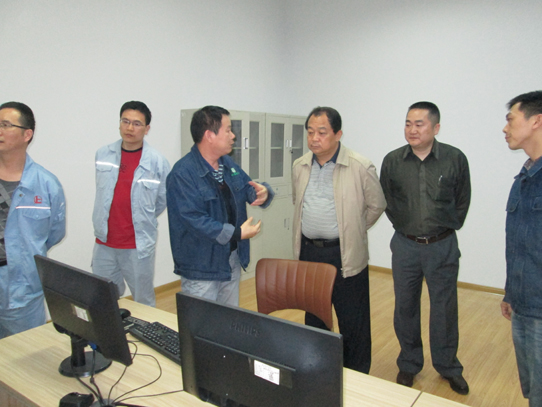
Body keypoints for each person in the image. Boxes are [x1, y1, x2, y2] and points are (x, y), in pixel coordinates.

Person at [380, 101, 471, 394]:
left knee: (444, 308)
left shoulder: (455, 159)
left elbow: (462, 200)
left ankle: (448, 367)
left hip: (442, 246)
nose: (412, 129)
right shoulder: (393, 161)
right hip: (405, 246)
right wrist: (407, 226)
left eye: (419, 124)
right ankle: (409, 363)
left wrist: (444, 227)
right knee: (405, 306)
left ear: (436, 127)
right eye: (408, 123)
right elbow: (387, 201)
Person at [292, 106, 386, 373]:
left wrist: (351, 231)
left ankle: (357, 375)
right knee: (315, 316)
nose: (314, 138)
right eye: (310, 132)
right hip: (310, 253)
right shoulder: (299, 166)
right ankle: (318, 371)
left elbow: (377, 205)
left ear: (338, 134)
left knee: (353, 320)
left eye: (322, 132)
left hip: (345, 255)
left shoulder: (359, 166)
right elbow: (298, 203)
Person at [167, 106, 274, 306]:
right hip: (201, 267)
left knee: (228, 319)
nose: (233, 136)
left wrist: (263, 192)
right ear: (209, 135)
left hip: (230, 259)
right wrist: (237, 233)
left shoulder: (228, 164)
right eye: (228, 130)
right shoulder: (182, 173)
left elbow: (247, 187)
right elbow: (194, 219)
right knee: (202, 322)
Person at [92, 101, 170, 307]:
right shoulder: (103, 154)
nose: (129, 128)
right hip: (104, 242)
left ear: (147, 129)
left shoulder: (157, 162)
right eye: (125, 121)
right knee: (103, 300)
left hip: (137, 244)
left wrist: (141, 216)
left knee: (143, 301)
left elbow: (162, 200)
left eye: (136, 124)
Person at [0, 102, 66, 339]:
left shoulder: (46, 184)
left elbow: (54, 233)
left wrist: (23, 256)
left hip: (22, 289)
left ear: (27, 134)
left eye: (5, 125)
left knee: (23, 353)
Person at [501, 90, 542, 407]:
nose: (505, 128)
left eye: (510, 119)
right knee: (532, 389)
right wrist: (510, 292)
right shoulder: (524, 177)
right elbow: (520, 244)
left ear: (536, 121)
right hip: (523, 303)